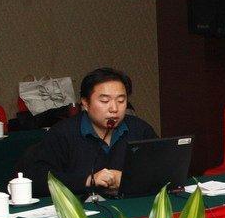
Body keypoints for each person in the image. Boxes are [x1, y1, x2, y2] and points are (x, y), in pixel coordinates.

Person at [26, 67, 158, 197]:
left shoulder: (140, 129)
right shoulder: (63, 133)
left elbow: (163, 173)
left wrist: (129, 179)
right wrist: (88, 181)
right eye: (105, 101)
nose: (114, 108)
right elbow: (37, 181)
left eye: (121, 101)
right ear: (85, 103)